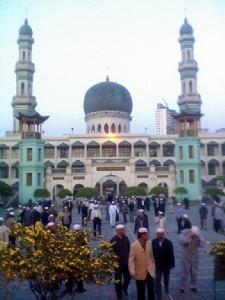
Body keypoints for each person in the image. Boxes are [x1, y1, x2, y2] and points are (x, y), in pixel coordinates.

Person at [129, 227, 155, 300]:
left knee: (151, 291)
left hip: (149, 271)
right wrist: (132, 271)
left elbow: (152, 256)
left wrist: (153, 266)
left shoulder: (149, 243)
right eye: (147, 234)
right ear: (142, 235)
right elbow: (131, 260)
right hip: (139, 272)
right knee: (141, 292)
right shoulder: (134, 246)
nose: (148, 236)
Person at [179, 226, 204, 293]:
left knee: (194, 272)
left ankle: (193, 285)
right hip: (185, 256)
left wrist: (199, 237)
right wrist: (189, 236)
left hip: (194, 256)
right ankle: (182, 286)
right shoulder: (184, 233)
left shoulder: (197, 236)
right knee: (184, 272)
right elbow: (182, 241)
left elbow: (201, 245)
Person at [152, 228, 175, 300]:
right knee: (157, 280)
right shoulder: (153, 242)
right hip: (157, 265)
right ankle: (158, 292)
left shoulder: (168, 243)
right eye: (157, 235)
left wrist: (172, 264)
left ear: (163, 235)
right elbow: (151, 253)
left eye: (160, 235)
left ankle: (166, 288)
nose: (158, 236)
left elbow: (171, 254)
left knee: (166, 278)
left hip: (166, 265)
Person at [110, 224, 131, 299]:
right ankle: (119, 294)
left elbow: (129, 249)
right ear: (118, 231)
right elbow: (110, 252)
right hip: (118, 263)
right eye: (123, 230)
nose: (124, 231)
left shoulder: (126, 238)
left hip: (126, 262)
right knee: (118, 280)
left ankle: (124, 288)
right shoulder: (113, 240)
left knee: (128, 277)